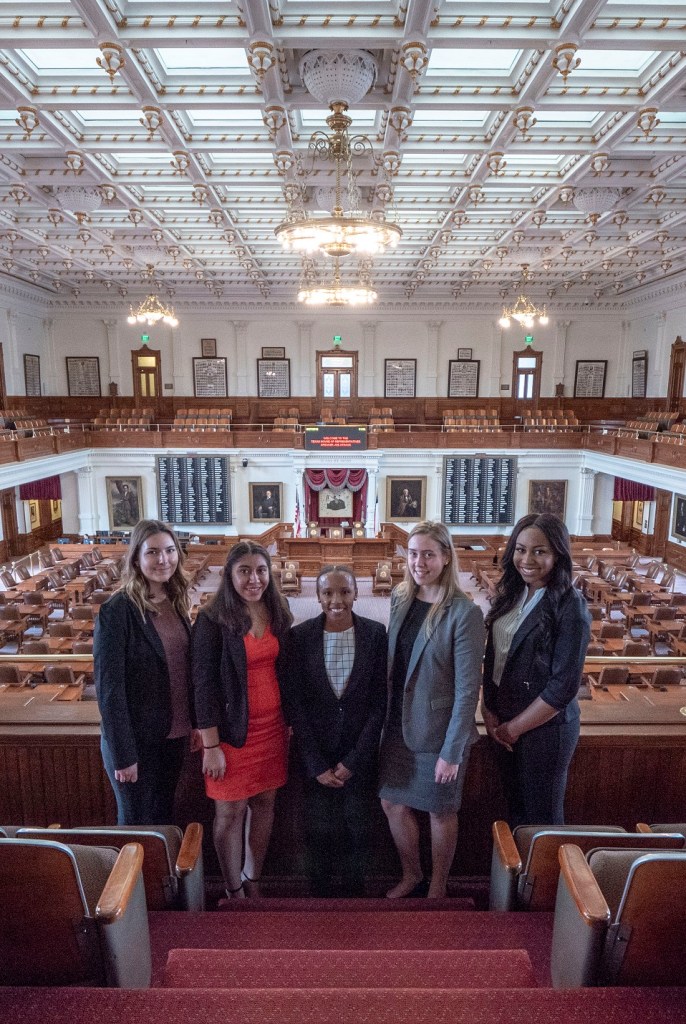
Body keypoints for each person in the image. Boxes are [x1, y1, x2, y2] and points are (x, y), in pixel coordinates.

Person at [379, 521, 485, 899]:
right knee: (392, 802)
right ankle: (412, 874)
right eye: (412, 553)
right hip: (397, 725)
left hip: (438, 731)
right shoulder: (399, 597)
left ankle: (437, 887)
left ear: (445, 557)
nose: (419, 562)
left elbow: (467, 690)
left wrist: (452, 752)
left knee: (439, 811)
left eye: (428, 553)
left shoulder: (464, 613)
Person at [192, 541, 293, 899]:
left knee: (265, 805)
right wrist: (212, 745)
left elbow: (287, 671)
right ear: (229, 575)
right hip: (232, 737)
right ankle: (233, 889)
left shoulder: (277, 610)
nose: (254, 579)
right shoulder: (212, 619)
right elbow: (202, 685)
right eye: (245, 571)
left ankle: (253, 877)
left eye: (261, 570)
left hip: (273, 730)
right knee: (229, 814)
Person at [481, 512, 591, 828]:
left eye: (539, 551)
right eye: (520, 549)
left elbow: (562, 688)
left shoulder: (571, 606)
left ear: (558, 554)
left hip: (543, 732)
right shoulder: (512, 592)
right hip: (503, 723)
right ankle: (516, 878)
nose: (527, 559)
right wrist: (487, 707)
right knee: (516, 813)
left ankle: (543, 879)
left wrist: (512, 729)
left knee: (541, 821)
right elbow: (495, 657)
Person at [286, 565, 387, 896]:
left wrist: (354, 760)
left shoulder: (375, 634)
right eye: (328, 592)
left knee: (359, 825)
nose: (337, 600)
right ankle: (319, 893)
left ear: (356, 593)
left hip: (357, 754)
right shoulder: (300, 638)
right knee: (317, 828)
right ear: (317, 596)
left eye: (344, 591)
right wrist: (315, 763)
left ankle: (356, 894)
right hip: (315, 755)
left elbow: (378, 703)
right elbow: (296, 704)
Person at [95, 519, 196, 825]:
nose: (163, 559)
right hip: (136, 741)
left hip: (174, 734)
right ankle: (133, 876)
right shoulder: (118, 611)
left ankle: (159, 875)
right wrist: (125, 755)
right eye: (152, 552)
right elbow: (110, 691)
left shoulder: (176, 602)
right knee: (136, 822)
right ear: (137, 558)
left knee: (164, 816)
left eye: (169, 550)